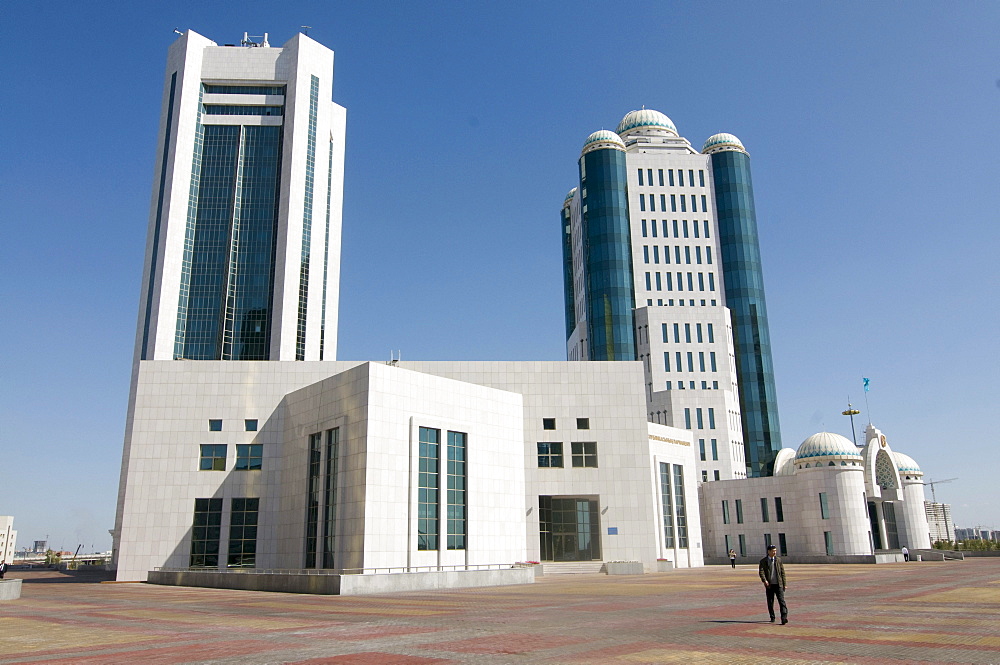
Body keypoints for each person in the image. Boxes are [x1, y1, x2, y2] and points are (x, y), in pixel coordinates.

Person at [758, 545, 787, 624]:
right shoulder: (763, 561)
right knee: (770, 602)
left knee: (782, 601)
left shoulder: (778, 560)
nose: (775, 552)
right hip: (770, 585)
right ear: (769, 551)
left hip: (779, 584)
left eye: (775, 551)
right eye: (773, 551)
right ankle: (772, 616)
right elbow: (761, 572)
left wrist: (784, 583)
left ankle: (784, 617)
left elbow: (782, 572)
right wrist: (764, 580)